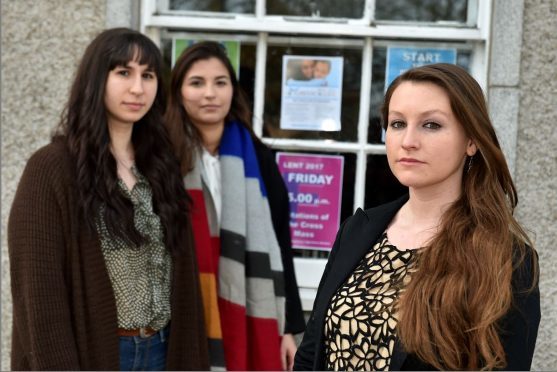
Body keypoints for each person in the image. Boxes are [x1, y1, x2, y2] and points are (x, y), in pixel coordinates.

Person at [294, 63, 540, 370]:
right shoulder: (358, 229)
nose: (408, 140)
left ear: (472, 141)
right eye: (397, 124)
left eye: (431, 125)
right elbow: (310, 351)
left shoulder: (509, 258)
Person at [8, 28, 209, 371]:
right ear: (95, 79)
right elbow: (39, 297)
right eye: (123, 73)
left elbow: (184, 280)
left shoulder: (161, 165)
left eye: (148, 75)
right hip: (99, 354)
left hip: (163, 351)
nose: (137, 88)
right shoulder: (51, 168)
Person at [165, 41, 305, 371]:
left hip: (248, 309)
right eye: (197, 83)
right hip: (180, 311)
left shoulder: (258, 158)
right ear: (179, 92)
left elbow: (281, 245)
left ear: (232, 90)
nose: (210, 93)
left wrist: (288, 328)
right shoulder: (161, 158)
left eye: (220, 82)